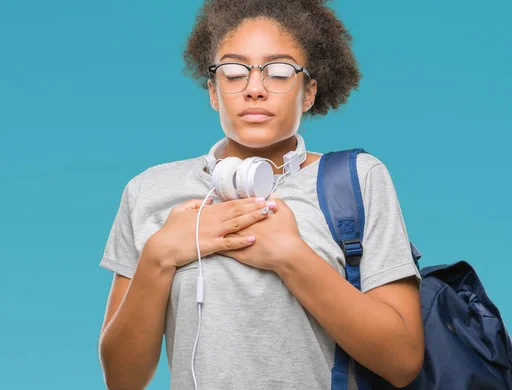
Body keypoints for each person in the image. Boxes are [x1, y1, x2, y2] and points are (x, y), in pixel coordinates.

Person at [97, 0, 424, 389]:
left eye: (280, 72)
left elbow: (403, 361)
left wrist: (290, 256)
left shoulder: (356, 179)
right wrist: (158, 257)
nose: (254, 89)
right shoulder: (149, 190)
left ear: (308, 93)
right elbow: (122, 380)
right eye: (234, 72)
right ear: (214, 93)